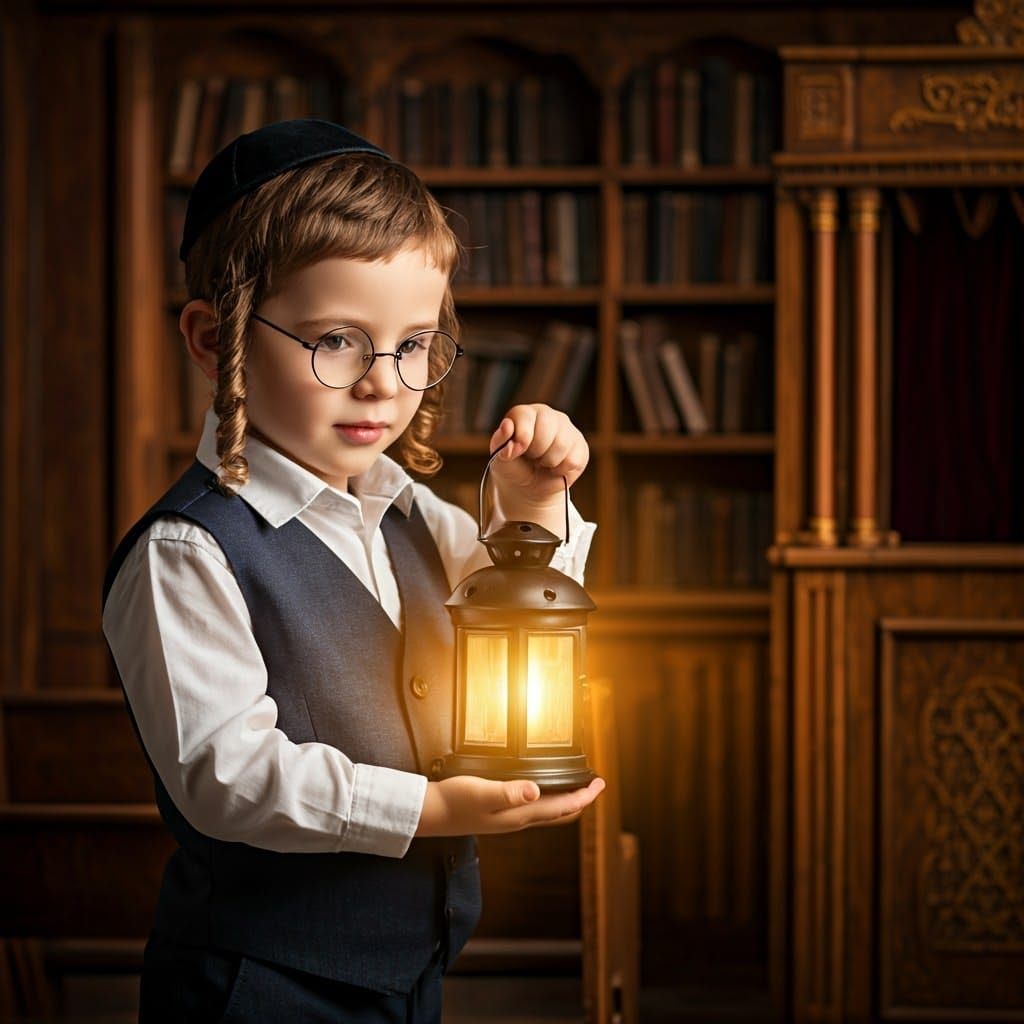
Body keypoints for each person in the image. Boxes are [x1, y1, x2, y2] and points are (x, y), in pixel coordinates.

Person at [101, 118, 604, 1023]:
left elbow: (525, 607)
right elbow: (231, 778)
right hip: (258, 989)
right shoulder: (188, 551)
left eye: (414, 344)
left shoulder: (412, 509)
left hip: (406, 975)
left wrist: (531, 503)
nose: (384, 382)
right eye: (337, 340)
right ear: (215, 340)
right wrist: (431, 809)